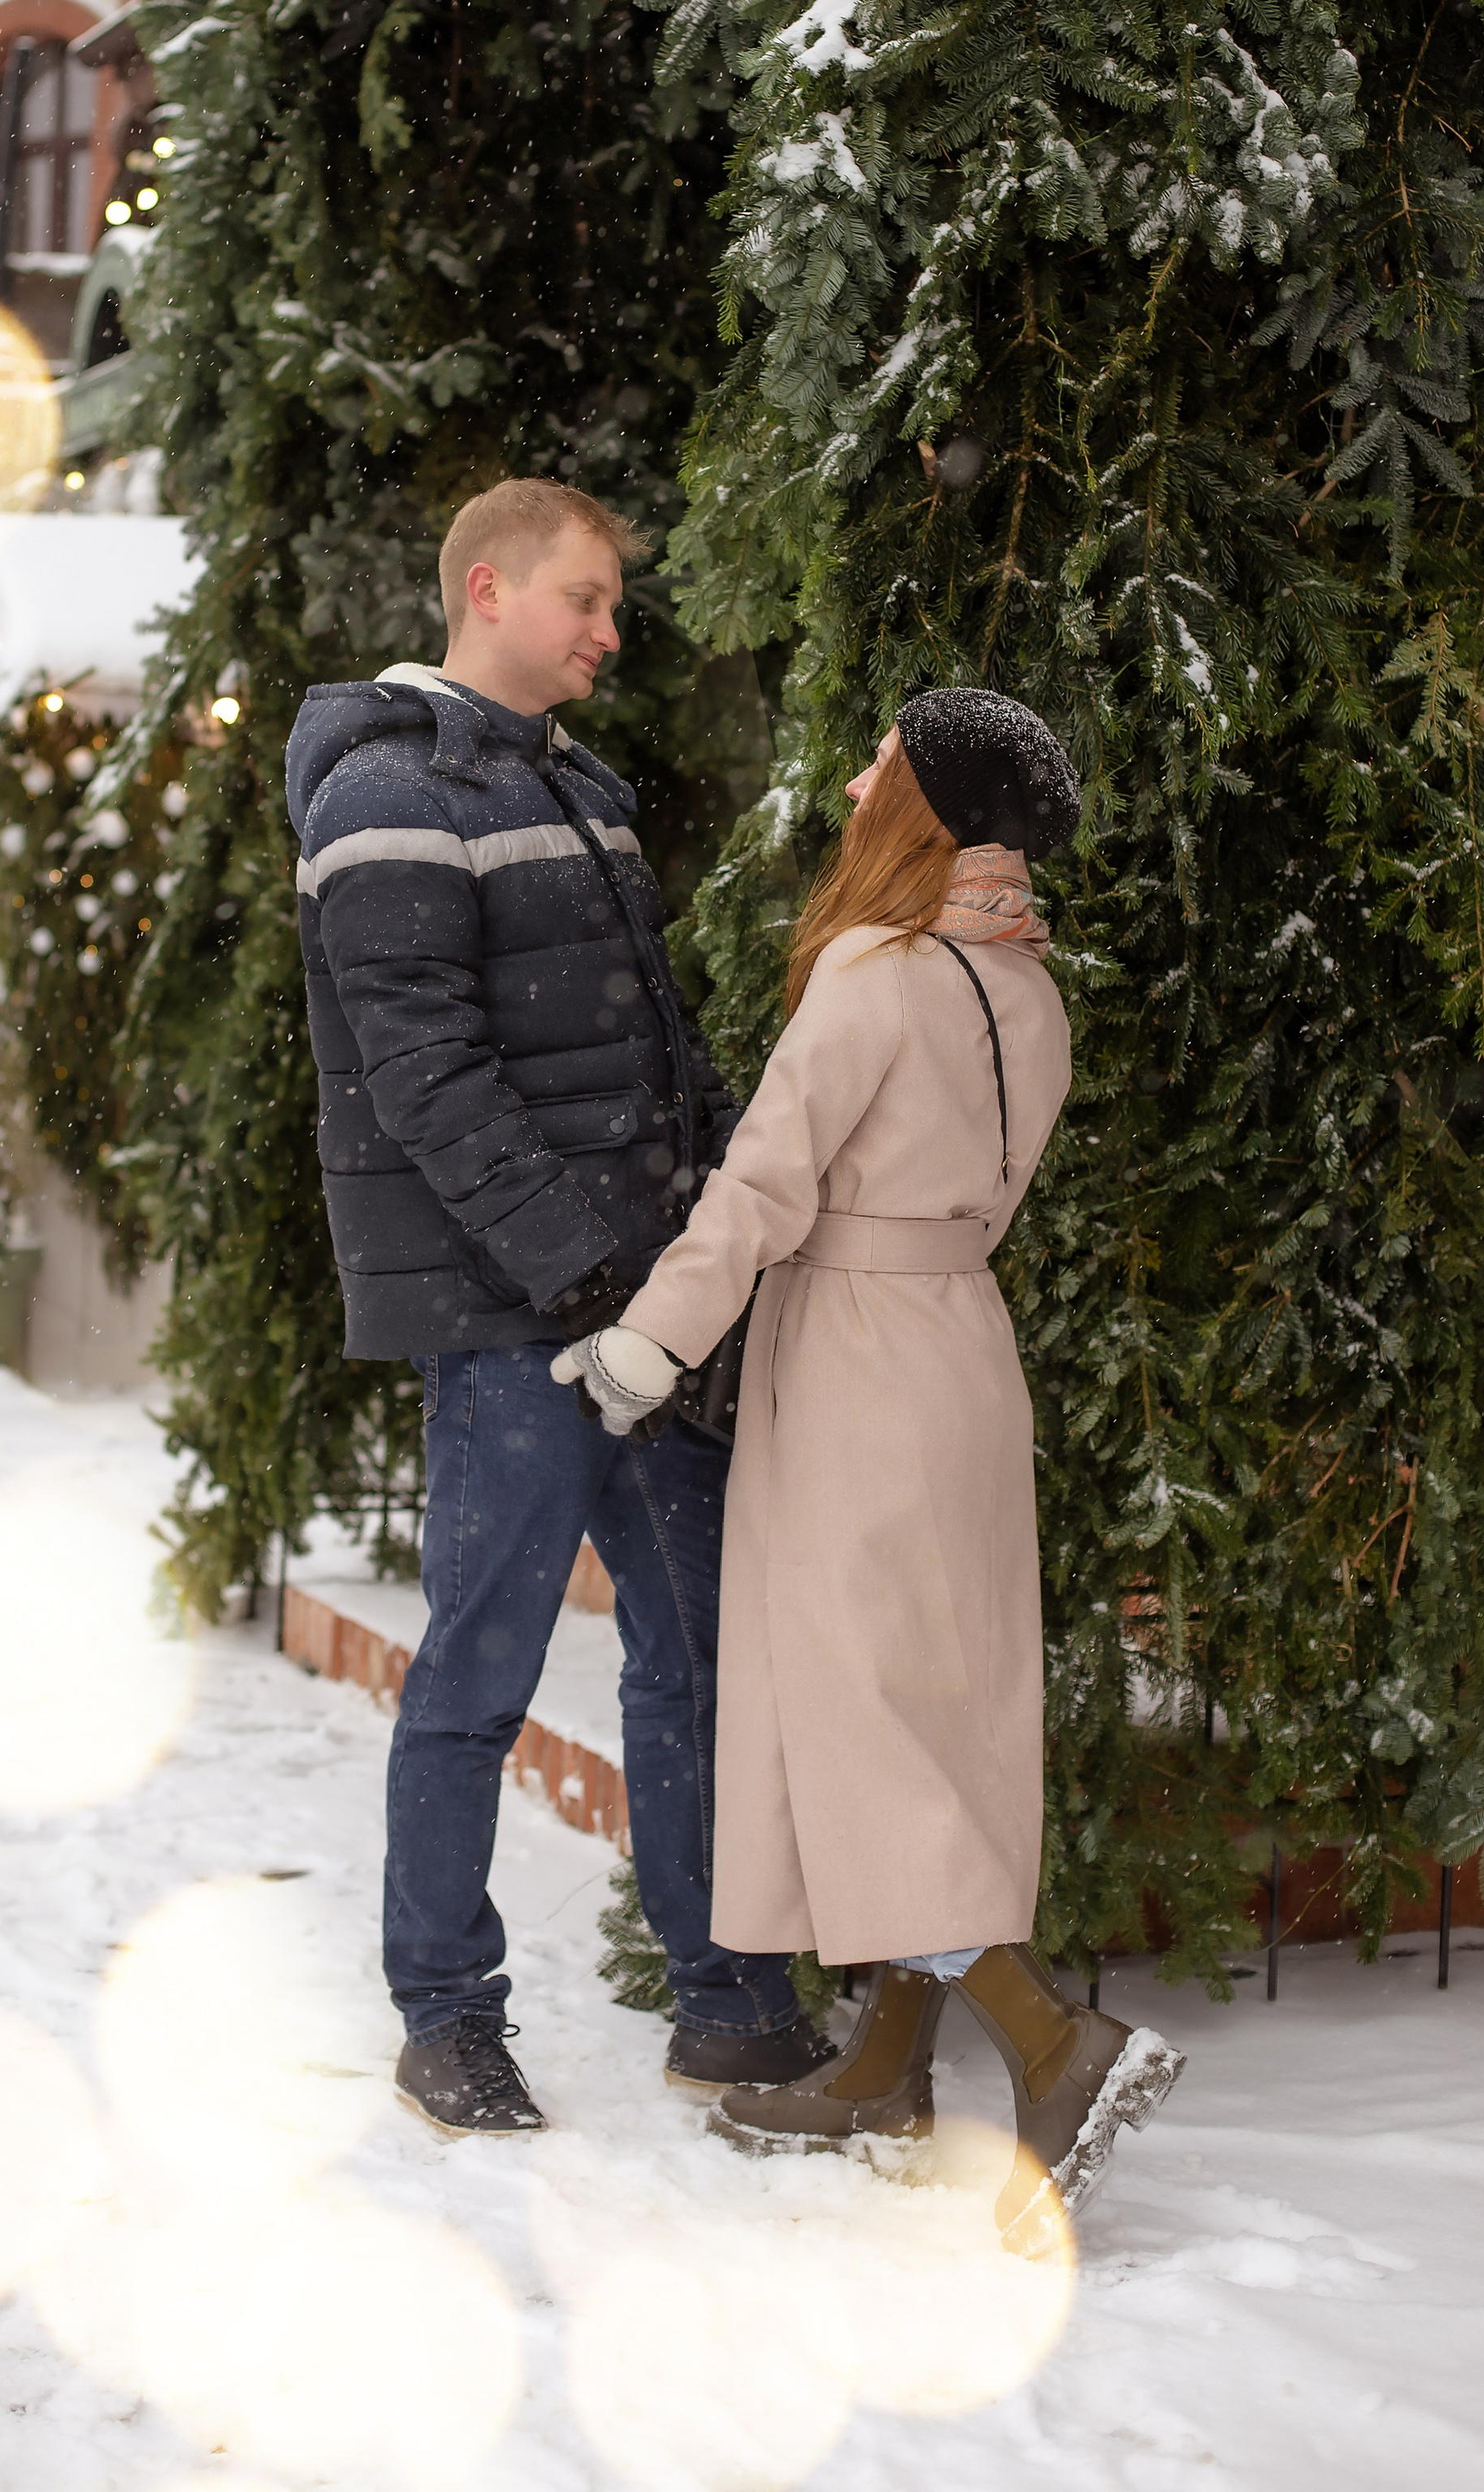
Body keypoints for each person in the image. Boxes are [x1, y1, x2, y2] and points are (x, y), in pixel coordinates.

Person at [554, 688, 1185, 2240]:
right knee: (935, 1701)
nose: (855, 783)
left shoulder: (875, 973)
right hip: (962, 1346)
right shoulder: (1029, 988)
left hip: (851, 1356)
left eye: (885, 764)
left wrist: (646, 1348)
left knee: (859, 1710)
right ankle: (886, 2069)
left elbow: (761, 1190)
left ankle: (1057, 2044)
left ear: (931, 806)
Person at [284, 476, 834, 2136]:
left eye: (611, 603)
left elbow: (652, 1047)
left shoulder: (581, 789)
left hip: (645, 1313)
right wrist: (582, 1283)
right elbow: (427, 1078)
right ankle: (446, 2018)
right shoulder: (383, 794)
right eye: (584, 598)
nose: (609, 629)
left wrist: (715, 1225)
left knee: (698, 1662)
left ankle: (727, 2002)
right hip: (514, 1324)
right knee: (480, 1670)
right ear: (486, 590)